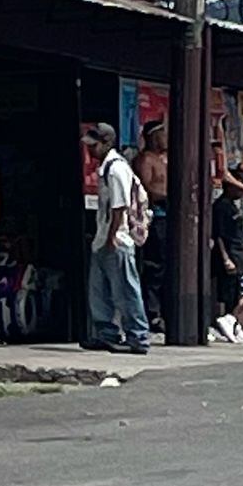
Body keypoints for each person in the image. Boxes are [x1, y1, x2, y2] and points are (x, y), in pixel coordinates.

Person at [81, 123, 150, 355]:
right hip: (102, 240)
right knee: (99, 292)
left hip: (116, 240)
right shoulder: (106, 168)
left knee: (126, 290)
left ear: (107, 143)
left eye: (95, 145)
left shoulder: (116, 169)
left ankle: (138, 337)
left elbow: (119, 207)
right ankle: (106, 334)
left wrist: (111, 238)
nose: (90, 151)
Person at [211, 164, 243, 344]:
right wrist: (226, 258)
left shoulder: (234, 206)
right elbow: (219, 236)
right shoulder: (221, 207)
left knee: (238, 291)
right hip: (231, 254)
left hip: (240, 254)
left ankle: (236, 326)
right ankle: (229, 318)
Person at [132, 120, 169, 335]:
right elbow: (145, 189)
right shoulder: (146, 159)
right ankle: (152, 312)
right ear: (154, 136)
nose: (166, 138)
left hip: (168, 218)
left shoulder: (163, 160)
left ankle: (161, 310)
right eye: (162, 133)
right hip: (155, 218)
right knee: (154, 266)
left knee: (164, 267)